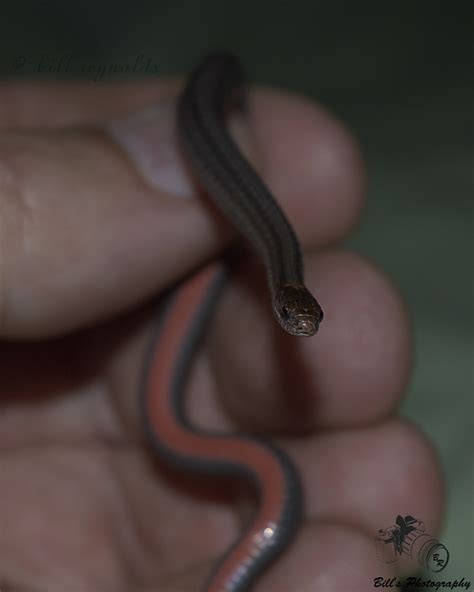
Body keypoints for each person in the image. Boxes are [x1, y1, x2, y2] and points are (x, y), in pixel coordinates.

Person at [0, 77, 443, 591]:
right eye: (293, 319)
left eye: (306, 322)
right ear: (281, 301)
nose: (300, 330)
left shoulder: (279, 261)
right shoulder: (269, 248)